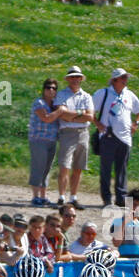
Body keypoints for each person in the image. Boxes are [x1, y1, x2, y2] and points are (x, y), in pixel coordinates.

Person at [94, 68, 139, 209]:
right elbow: (90, 109)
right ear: (114, 80)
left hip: (125, 138)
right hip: (108, 136)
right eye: (122, 78)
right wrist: (97, 123)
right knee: (106, 169)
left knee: (122, 169)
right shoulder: (103, 93)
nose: (125, 80)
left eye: (125, 78)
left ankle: (121, 197)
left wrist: (136, 123)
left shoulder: (129, 95)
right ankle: (106, 198)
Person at [54, 65, 94, 209]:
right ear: (68, 79)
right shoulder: (62, 94)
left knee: (78, 167)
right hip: (67, 133)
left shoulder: (86, 96)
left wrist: (71, 115)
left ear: (81, 79)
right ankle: (61, 197)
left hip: (83, 133)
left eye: (77, 77)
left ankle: (73, 197)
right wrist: (80, 114)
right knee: (65, 166)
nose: (75, 80)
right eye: (72, 77)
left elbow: (90, 116)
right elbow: (61, 114)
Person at [27, 79, 61, 208]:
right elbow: (46, 118)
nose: (51, 90)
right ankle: (35, 196)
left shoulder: (55, 105)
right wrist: (60, 111)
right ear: (43, 89)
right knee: (38, 167)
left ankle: (43, 196)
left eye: (54, 88)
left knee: (47, 169)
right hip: (38, 139)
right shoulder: (39, 103)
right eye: (48, 87)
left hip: (52, 140)